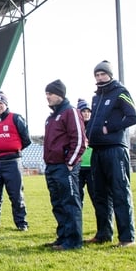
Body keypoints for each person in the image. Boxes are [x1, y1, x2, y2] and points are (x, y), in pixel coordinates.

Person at [84, 60, 136, 247]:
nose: (100, 77)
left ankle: (127, 238)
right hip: (97, 149)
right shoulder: (96, 97)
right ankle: (103, 234)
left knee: (120, 192)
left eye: (102, 74)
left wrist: (110, 128)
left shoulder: (120, 92)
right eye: (97, 75)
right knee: (100, 195)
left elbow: (133, 116)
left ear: (110, 74)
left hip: (115, 149)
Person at [42, 80, 86, 250]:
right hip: (52, 166)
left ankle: (73, 241)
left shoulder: (70, 112)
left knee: (70, 202)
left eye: (50, 94)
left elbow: (80, 140)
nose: (47, 97)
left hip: (64, 166)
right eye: (46, 94)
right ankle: (62, 237)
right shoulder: (50, 118)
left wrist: (70, 163)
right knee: (58, 203)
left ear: (60, 94)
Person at [0, 91, 31, 231]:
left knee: (16, 194)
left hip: (12, 162)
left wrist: (14, 148)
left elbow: (26, 139)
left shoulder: (15, 118)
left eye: (1, 103)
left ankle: (21, 223)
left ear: (6, 104)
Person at [77, 99, 93, 205]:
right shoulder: (75, 127)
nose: (86, 113)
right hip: (78, 167)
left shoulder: (94, 126)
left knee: (97, 197)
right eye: (84, 111)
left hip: (93, 166)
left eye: (88, 111)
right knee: (77, 198)